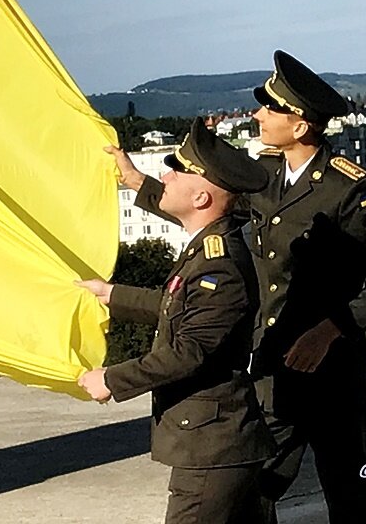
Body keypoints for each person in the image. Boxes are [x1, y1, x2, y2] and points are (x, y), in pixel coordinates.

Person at [108, 50, 366, 523]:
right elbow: (208, 205)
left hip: (332, 375)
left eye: (271, 109)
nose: (258, 116)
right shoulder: (262, 175)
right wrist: (137, 183)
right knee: (256, 488)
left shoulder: (348, 188)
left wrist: (329, 330)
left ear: (301, 126)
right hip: (272, 368)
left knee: (347, 493)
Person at [77, 119, 275, 524]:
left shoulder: (220, 266)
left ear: (202, 196)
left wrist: (111, 380)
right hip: (220, 445)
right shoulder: (208, 249)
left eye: (178, 170)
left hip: (213, 450)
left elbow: (189, 352)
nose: (165, 176)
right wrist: (110, 294)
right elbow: (177, 305)